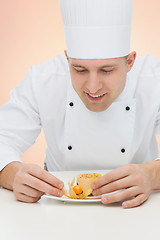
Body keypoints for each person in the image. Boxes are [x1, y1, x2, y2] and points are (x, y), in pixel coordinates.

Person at [0, 0, 160, 209]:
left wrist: (154, 174)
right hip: (56, 209)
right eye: (80, 70)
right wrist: (11, 173)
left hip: (139, 209)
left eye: (107, 70)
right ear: (67, 59)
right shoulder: (43, 79)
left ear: (129, 62)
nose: (93, 87)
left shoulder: (153, 78)